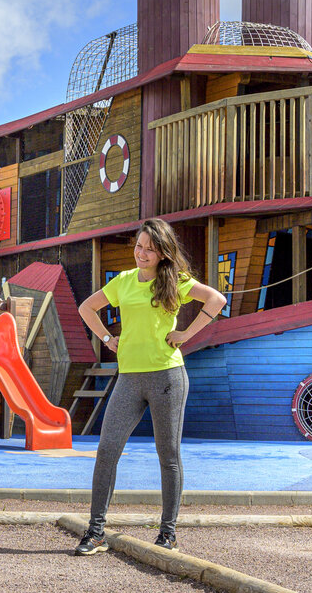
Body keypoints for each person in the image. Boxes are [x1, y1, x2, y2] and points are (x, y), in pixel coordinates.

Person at [74, 218, 227, 555]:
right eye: (138, 246)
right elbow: (87, 307)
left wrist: (187, 334)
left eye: (149, 248)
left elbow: (216, 300)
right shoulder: (124, 282)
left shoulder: (176, 281)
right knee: (106, 450)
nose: (141, 253)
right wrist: (105, 338)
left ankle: (168, 533)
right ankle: (96, 532)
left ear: (161, 253)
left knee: (168, 455)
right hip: (129, 378)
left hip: (167, 378)